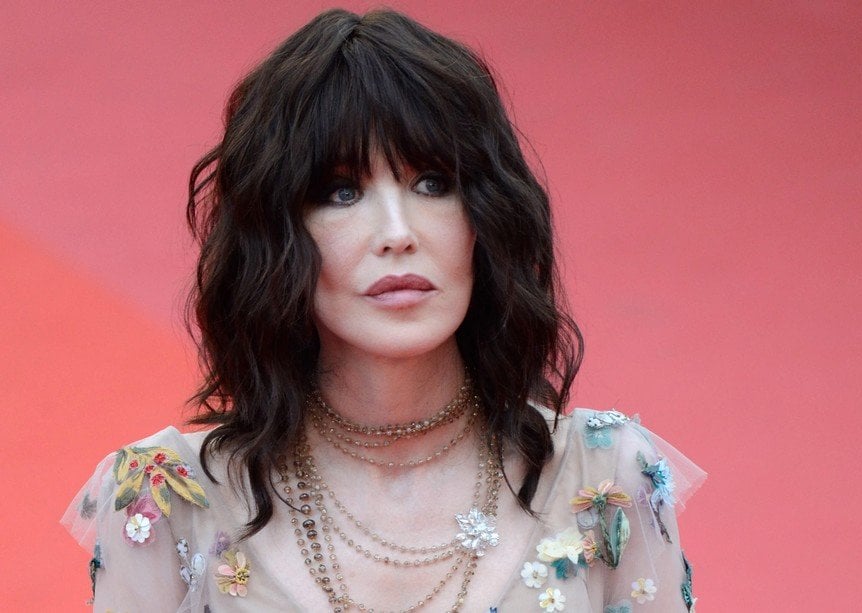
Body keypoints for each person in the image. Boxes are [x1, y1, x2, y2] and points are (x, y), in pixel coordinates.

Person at [62, 8, 705, 612]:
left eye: (433, 183)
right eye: (342, 192)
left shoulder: (606, 477)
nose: (398, 233)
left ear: (485, 219)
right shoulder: (166, 499)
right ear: (275, 237)